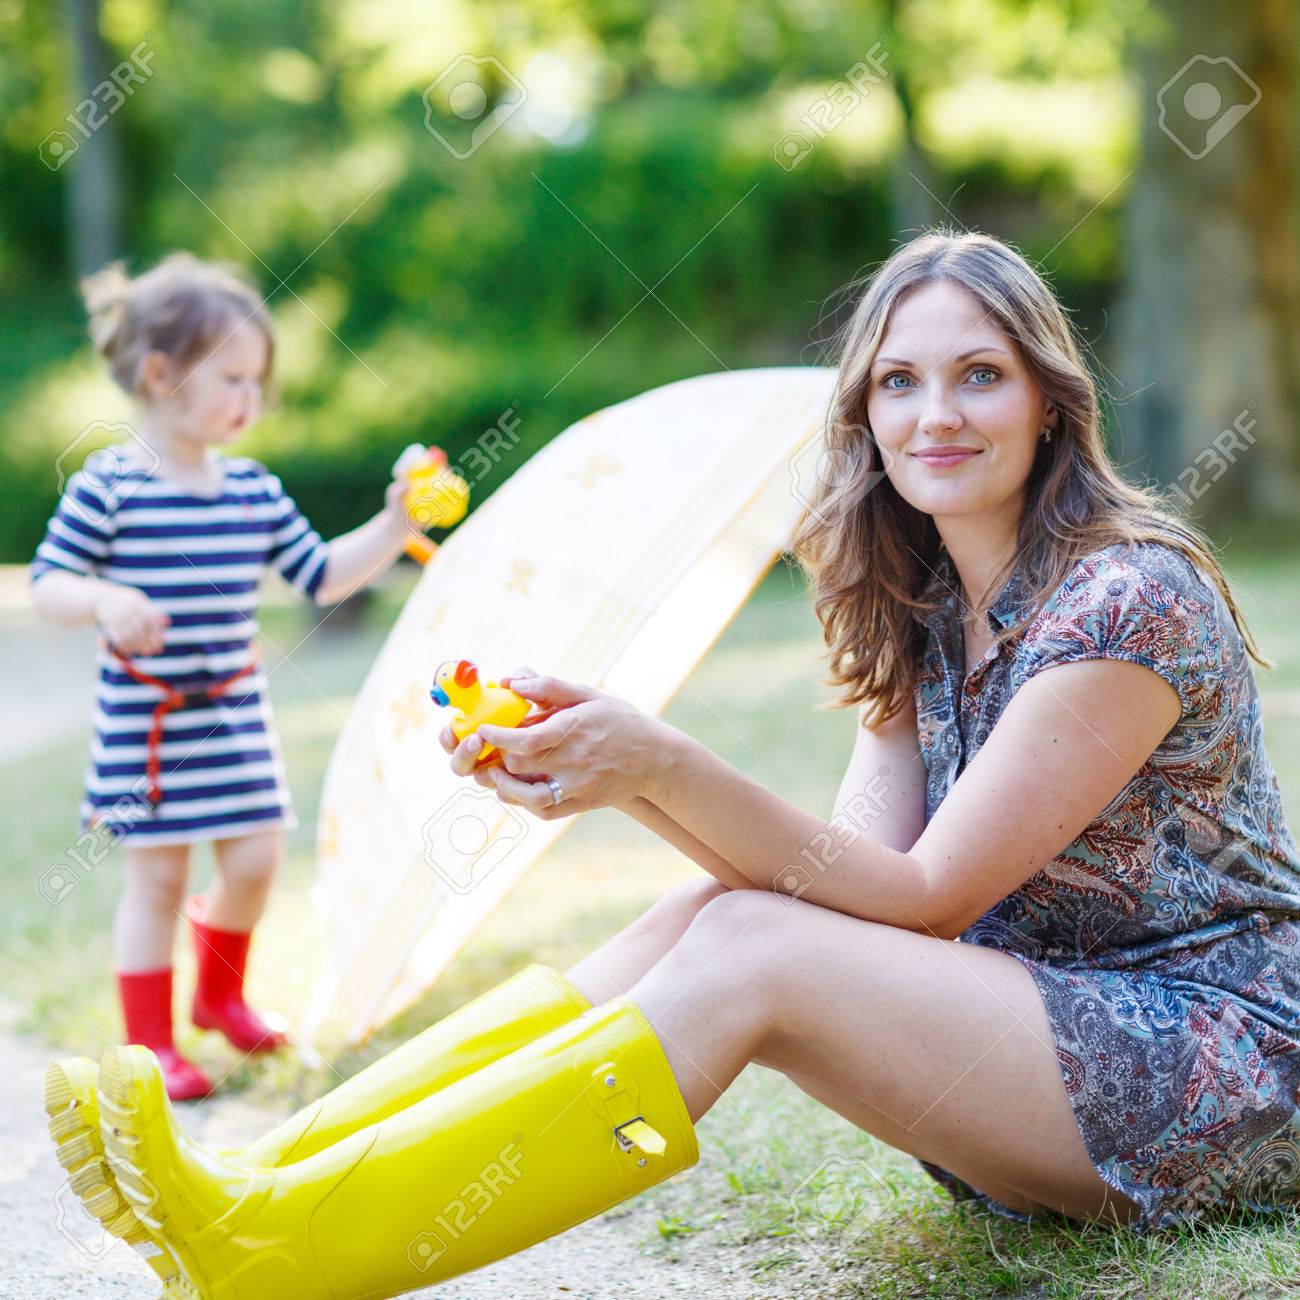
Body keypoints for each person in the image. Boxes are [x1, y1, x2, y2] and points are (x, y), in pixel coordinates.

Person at [47, 230, 1300, 1297]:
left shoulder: (1127, 601)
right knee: (712, 911)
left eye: (980, 375)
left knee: (754, 946)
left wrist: (654, 760)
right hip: (1031, 1056)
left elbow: (927, 901)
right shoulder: (925, 612)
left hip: (1213, 1069)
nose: (936, 414)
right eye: (899, 381)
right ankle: (268, 1181)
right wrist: (624, 768)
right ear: (861, 411)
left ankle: (284, 1253)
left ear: (1047, 399)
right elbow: (839, 879)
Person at [31, 253, 424, 1100]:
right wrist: (104, 597)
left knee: (252, 861)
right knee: (159, 878)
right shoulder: (111, 488)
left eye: (259, 382)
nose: (253, 399)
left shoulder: (252, 490)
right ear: (162, 374)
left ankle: (219, 998)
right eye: (235, 379)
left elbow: (321, 573)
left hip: (234, 716)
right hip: (149, 724)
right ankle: (150, 1048)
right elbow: (48, 584)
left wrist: (395, 525)